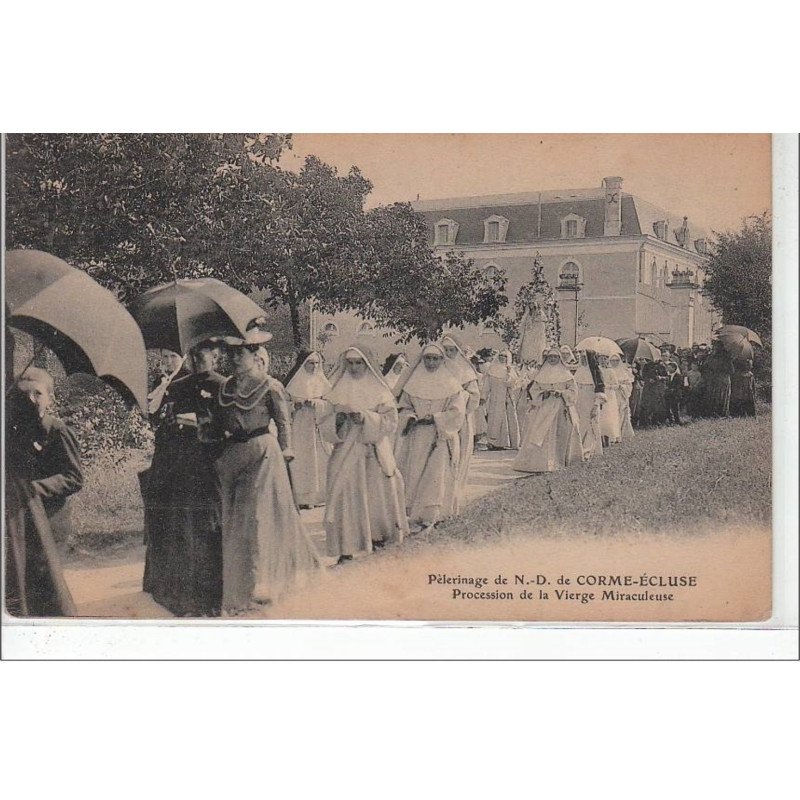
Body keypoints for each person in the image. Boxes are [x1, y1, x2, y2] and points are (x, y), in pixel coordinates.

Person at [212, 329, 321, 615]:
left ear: (255, 355)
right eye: (231, 353)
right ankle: (238, 587)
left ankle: (263, 585)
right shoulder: (225, 388)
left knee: (258, 518)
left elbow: (284, 422)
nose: (235, 358)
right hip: (233, 454)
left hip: (263, 453)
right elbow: (217, 422)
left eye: (241, 353)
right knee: (234, 520)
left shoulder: (270, 386)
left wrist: (287, 450)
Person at [140, 344, 227, 616]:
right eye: (195, 353)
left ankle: (209, 597)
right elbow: (161, 418)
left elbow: (228, 425)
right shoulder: (179, 385)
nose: (200, 358)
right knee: (180, 527)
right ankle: (180, 594)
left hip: (206, 467)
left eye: (205, 353)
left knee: (206, 528)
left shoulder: (223, 386)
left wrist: (199, 421)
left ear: (216, 356)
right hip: (177, 464)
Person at [5, 367, 83, 616]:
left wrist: (34, 489)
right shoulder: (15, 432)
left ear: (50, 398)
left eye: (38, 394)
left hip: (50, 518)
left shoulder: (57, 430)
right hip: (22, 518)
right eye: (25, 394)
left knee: (46, 580)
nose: (32, 400)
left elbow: (74, 478)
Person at [320, 345, 408, 564]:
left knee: (376, 496)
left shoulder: (380, 390)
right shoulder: (336, 389)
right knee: (343, 497)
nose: (353, 367)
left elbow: (390, 422)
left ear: (367, 364)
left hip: (372, 450)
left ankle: (378, 539)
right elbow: (324, 422)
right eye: (349, 363)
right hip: (345, 451)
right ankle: (346, 547)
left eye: (358, 363)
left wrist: (367, 418)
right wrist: (339, 420)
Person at [394, 344, 467, 532]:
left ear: (442, 360)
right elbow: (404, 407)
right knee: (416, 473)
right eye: (428, 358)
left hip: (441, 437)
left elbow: (457, 412)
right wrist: (410, 418)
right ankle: (416, 514)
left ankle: (433, 514)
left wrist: (436, 419)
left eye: (435, 358)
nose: (431, 362)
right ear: (422, 359)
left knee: (436, 475)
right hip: (417, 436)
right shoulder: (412, 384)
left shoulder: (452, 385)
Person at [513, 348, 582, 473]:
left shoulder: (567, 375)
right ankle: (542, 463)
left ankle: (559, 460)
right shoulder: (541, 374)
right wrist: (543, 393)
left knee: (560, 432)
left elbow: (573, 391)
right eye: (550, 357)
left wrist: (561, 393)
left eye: (555, 357)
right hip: (545, 408)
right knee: (542, 433)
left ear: (559, 359)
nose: (553, 359)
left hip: (561, 407)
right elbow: (534, 390)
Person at [284, 350, 332, 509]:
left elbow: (330, 404)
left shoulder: (323, 382)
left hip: (317, 425)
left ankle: (318, 497)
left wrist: (317, 404)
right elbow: (284, 405)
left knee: (319, 458)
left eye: (317, 363)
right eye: (311, 363)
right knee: (303, 459)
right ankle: (302, 497)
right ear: (303, 364)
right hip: (300, 426)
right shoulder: (293, 384)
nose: (314, 366)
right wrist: (295, 405)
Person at [440, 334, 480, 507]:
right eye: (446, 350)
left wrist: (459, 397)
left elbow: (474, 395)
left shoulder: (466, 371)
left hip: (462, 416)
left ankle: (457, 486)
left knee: (461, 449)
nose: (449, 353)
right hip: (443, 414)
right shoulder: (439, 367)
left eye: (452, 350)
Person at [480, 350, 520, 450]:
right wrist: (483, 397)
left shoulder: (511, 370)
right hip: (495, 399)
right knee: (494, 420)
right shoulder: (492, 370)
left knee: (508, 420)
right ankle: (494, 443)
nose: (502, 358)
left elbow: (512, 384)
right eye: (501, 355)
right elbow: (487, 385)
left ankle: (509, 442)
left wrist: (509, 373)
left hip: (506, 399)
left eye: (505, 356)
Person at [574, 350, 606, 459]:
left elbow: (600, 390)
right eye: (581, 358)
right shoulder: (578, 371)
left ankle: (588, 450)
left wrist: (596, 404)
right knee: (579, 424)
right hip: (578, 402)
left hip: (590, 401)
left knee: (590, 424)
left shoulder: (596, 372)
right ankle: (578, 449)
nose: (582, 360)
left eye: (584, 358)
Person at [701, 340, 735, 417]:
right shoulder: (724, 358)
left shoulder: (719, 358)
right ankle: (719, 413)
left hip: (720, 379)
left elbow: (705, 367)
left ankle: (717, 413)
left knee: (718, 396)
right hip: (717, 379)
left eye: (715, 347)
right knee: (718, 396)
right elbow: (732, 371)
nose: (713, 349)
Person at [609, 354, 635, 441]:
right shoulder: (608, 370)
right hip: (611, 394)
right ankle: (612, 433)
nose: (615, 362)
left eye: (617, 360)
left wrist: (622, 386)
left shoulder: (624, 371)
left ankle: (619, 433)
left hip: (621, 394)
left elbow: (629, 384)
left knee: (621, 412)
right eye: (613, 361)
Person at [598, 354, 621, 445]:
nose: (603, 360)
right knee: (601, 415)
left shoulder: (611, 371)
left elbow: (616, 385)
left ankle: (609, 435)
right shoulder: (597, 370)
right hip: (601, 393)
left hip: (609, 395)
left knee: (609, 415)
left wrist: (608, 386)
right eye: (601, 358)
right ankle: (601, 436)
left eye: (605, 358)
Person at [638, 358, 669, 426]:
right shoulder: (647, 366)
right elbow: (643, 376)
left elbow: (667, 376)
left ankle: (656, 421)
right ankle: (645, 422)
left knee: (658, 405)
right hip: (648, 388)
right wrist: (649, 380)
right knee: (646, 405)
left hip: (658, 388)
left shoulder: (661, 366)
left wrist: (661, 378)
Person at [664, 361, 685, 425]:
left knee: (675, 408)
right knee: (668, 408)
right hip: (668, 395)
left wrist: (671, 390)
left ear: (674, 368)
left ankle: (677, 421)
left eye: (669, 367)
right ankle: (671, 421)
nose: (668, 369)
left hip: (675, 395)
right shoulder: (668, 376)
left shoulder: (679, 376)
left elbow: (679, 386)